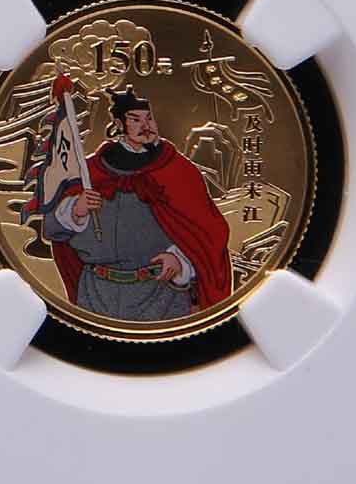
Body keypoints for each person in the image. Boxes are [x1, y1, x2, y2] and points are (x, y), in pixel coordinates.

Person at [42, 85, 232, 322]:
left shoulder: (177, 170)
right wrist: (75, 210)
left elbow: (209, 232)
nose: (146, 125)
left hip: (161, 293)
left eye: (149, 118)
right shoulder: (90, 171)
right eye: (135, 119)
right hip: (96, 293)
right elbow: (51, 229)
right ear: (119, 124)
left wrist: (181, 259)